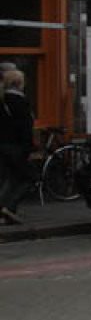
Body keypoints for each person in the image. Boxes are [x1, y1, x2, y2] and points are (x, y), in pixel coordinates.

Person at [0, 67, 35, 224]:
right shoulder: (20, 102)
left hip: (3, 145)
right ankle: (7, 207)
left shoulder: (3, 100)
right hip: (16, 147)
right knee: (29, 178)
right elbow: (26, 128)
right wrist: (27, 149)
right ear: (20, 83)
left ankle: (7, 212)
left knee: (12, 178)